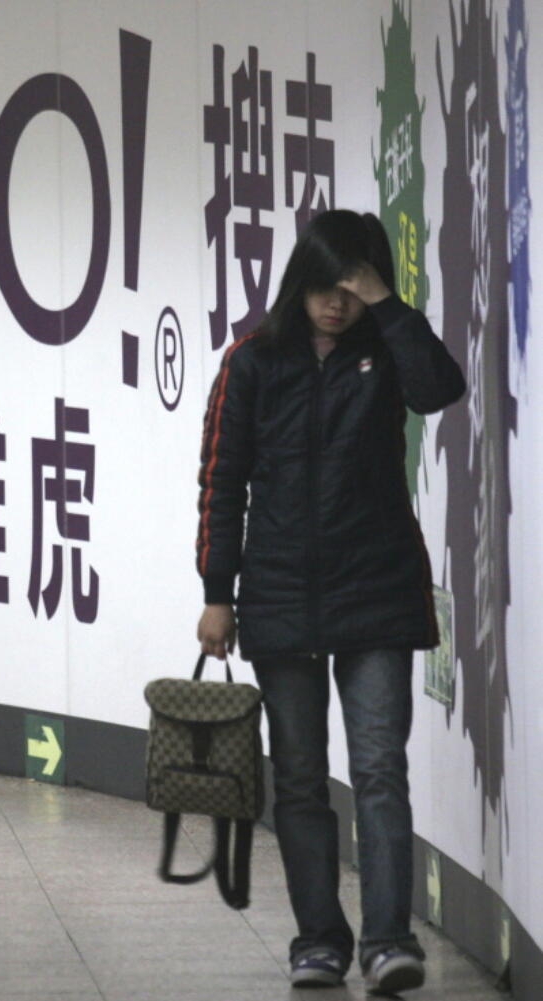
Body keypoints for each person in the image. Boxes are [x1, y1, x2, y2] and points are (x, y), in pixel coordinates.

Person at [194, 209, 465, 993]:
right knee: (304, 778)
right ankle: (319, 938)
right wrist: (218, 594)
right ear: (299, 281)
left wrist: (387, 301)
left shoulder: (387, 348)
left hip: (375, 586)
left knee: (379, 768)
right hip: (278, 594)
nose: (336, 304)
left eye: (352, 288)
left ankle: (388, 939)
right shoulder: (252, 361)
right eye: (325, 286)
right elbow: (221, 482)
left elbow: (439, 388)